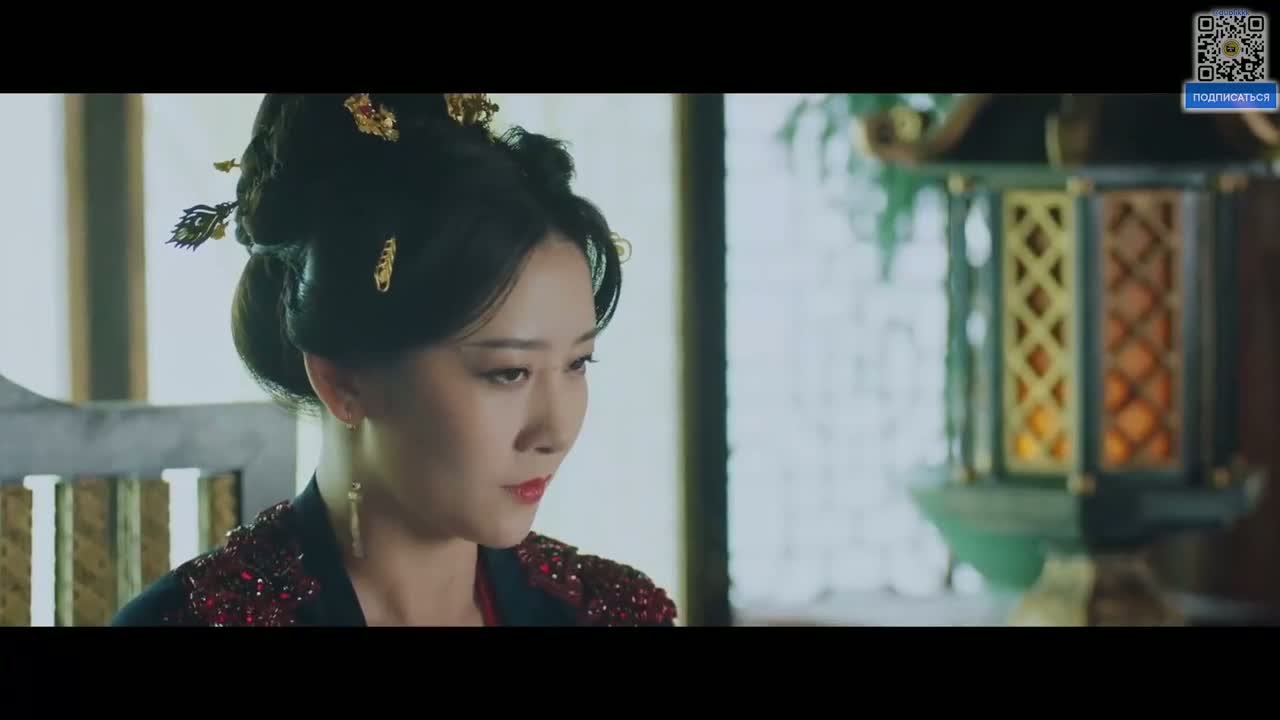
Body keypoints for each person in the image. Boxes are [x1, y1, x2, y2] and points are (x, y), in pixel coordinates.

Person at [111, 93, 677, 627]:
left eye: (578, 363)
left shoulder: (610, 611)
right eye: (509, 372)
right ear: (342, 379)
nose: (555, 431)